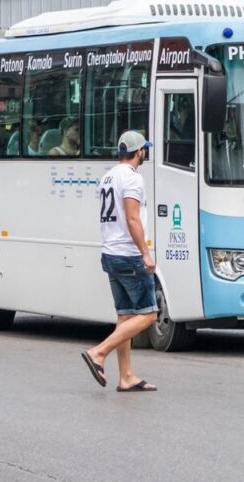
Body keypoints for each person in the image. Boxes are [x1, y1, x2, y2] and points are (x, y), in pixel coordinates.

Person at [82, 131, 158, 393]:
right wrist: (145, 252)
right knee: (149, 314)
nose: (145, 153)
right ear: (138, 152)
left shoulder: (108, 176)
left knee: (125, 316)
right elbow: (132, 218)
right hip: (128, 254)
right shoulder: (132, 179)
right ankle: (98, 352)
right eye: (144, 149)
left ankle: (126, 376)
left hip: (110, 252)